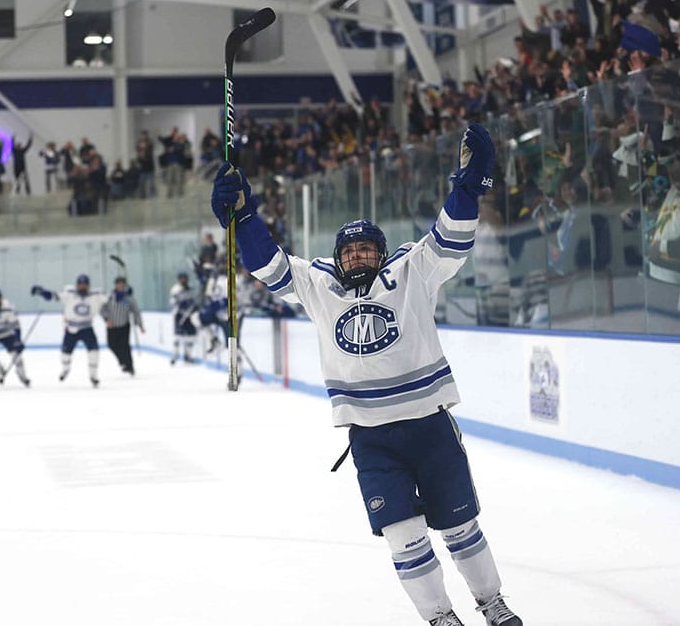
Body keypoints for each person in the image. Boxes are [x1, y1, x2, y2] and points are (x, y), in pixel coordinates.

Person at [210, 123, 522, 626]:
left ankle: (493, 605)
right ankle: (441, 617)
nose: (357, 256)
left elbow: (453, 234)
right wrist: (242, 216)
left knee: (462, 527)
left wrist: (469, 183)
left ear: (381, 252)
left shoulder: (412, 271)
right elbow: (266, 264)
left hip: (429, 426)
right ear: (337, 258)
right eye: (349, 251)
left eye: (366, 249)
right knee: (404, 536)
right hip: (372, 440)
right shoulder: (320, 287)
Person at [31, 274, 107, 387]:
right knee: (65, 354)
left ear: (88, 285)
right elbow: (53, 296)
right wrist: (42, 292)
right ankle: (65, 369)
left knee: (94, 352)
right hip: (71, 329)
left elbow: (113, 298)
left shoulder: (96, 295)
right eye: (80, 284)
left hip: (87, 328)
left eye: (85, 284)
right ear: (77, 285)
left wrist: (123, 294)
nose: (82, 287)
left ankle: (93, 376)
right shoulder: (69, 294)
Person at [100, 276, 144, 376]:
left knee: (125, 346)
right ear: (115, 285)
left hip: (124, 325)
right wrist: (106, 319)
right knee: (112, 345)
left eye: (122, 284)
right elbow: (102, 309)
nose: (120, 286)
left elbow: (136, 311)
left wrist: (140, 325)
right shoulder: (109, 296)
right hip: (112, 326)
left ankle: (130, 366)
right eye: (118, 284)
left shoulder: (129, 298)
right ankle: (122, 362)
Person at [169, 271, 198, 364]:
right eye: (181, 278)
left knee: (191, 336)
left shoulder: (191, 288)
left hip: (190, 315)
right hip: (179, 315)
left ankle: (188, 356)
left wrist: (193, 305)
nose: (183, 280)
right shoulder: (175, 289)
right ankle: (175, 355)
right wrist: (180, 303)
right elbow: (173, 301)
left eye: (185, 278)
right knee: (178, 336)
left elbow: (194, 300)